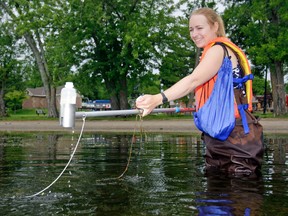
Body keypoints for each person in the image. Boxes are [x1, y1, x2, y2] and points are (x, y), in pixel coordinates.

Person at [136, 7, 264, 176]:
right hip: (218, 137)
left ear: (215, 26)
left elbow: (193, 80)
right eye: (191, 29)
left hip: (237, 138)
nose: (194, 34)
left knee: (238, 194)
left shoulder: (218, 50)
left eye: (199, 28)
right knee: (214, 193)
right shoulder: (212, 51)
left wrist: (157, 99)